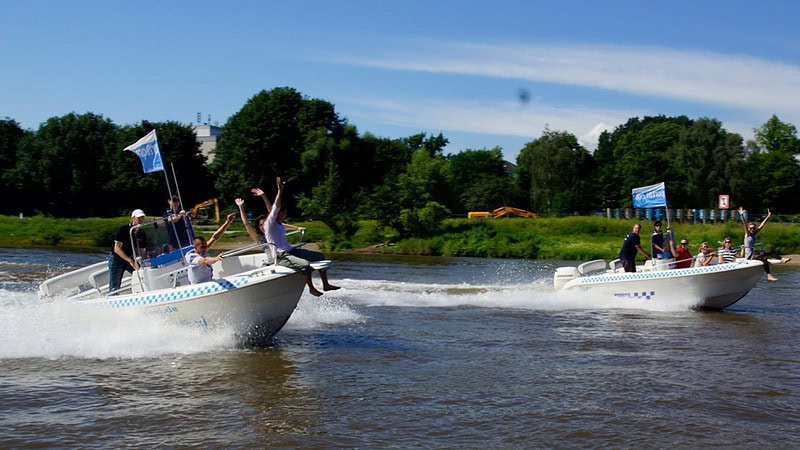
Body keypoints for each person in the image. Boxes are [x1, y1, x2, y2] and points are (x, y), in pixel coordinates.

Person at [264, 177, 340, 296]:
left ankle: (326, 284)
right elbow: (274, 208)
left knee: (320, 256)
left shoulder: (279, 224)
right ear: (280, 213)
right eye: (284, 212)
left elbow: (273, 210)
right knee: (305, 265)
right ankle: (311, 288)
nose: (285, 214)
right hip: (280, 256)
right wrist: (279, 191)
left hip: (291, 251)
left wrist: (296, 228)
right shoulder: (269, 224)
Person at [739, 207, 789, 281]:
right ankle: (769, 275)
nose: (752, 229)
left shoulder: (754, 233)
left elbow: (762, 224)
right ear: (749, 229)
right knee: (765, 257)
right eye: (751, 228)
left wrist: (768, 216)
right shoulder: (747, 234)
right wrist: (742, 216)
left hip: (754, 253)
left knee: (768, 252)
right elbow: (744, 225)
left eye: (753, 228)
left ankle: (782, 260)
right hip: (749, 256)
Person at [185, 213, 236, 284]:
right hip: (198, 285)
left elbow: (215, 237)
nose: (205, 248)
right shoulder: (192, 257)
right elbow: (204, 261)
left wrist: (227, 222)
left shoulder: (203, 250)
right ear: (195, 247)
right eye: (202, 247)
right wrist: (216, 258)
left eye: (206, 246)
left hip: (208, 281)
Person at [107, 209, 148, 295]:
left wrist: (146, 261)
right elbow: (117, 249)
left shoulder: (141, 233)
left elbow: (142, 250)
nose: (141, 220)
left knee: (141, 272)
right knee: (115, 286)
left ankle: (144, 291)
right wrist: (130, 260)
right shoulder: (123, 230)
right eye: (139, 218)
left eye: (142, 218)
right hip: (116, 259)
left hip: (129, 258)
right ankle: (112, 296)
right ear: (133, 218)